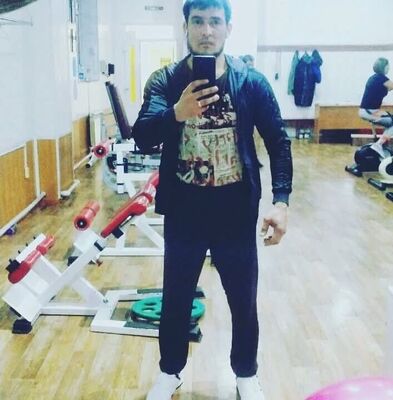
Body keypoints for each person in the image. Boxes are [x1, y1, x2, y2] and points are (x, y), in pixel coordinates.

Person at [132, 1, 293, 399]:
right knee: (176, 297)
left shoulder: (251, 82)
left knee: (243, 299)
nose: (207, 31)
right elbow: (142, 135)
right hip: (185, 210)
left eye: (215, 22)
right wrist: (177, 112)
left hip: (235, 210)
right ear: (186, 26)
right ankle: (170, 372)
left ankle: (246, 374)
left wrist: (281, 201)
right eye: (198, 21)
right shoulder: (166, 80)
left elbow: (278, 141)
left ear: (228, 28)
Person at [359, 57, 393, 159]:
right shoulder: (381, 78)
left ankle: (383, 145)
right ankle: (378, 145)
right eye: (388, 66)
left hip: (367, 111)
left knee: (392, 120)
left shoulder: (375, 78)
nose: (389, 68)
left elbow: (392, 87)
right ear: (384, 67)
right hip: (370, 112)